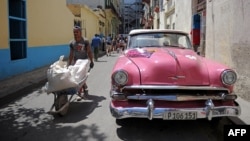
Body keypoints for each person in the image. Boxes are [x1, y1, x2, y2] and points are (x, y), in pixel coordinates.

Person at [68, 26, 94, 100]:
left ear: (80, 32)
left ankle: (80, 93)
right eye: (74, 32)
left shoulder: (85, 41)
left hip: (84, 61)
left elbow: (89, 52)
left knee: (80, 77)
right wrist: (69, 64)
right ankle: (84, 86)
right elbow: (71, 54)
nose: (75, 33)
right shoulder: (72, 43)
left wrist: (91, 61)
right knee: (78, 76)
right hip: (77, 62)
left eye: (77, 32)